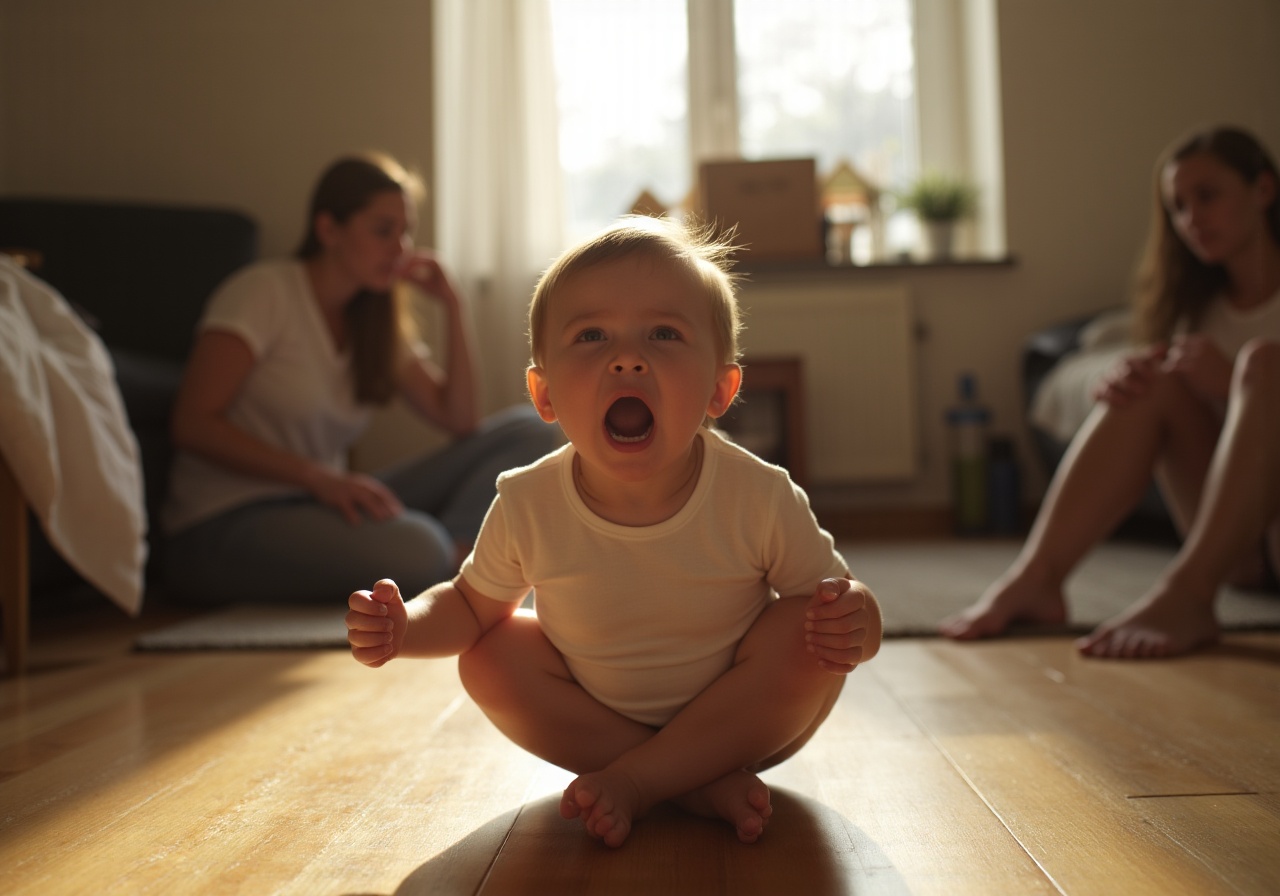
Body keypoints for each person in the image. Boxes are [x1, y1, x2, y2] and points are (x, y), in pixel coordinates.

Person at [346, 215, 883, 847]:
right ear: (545, 395)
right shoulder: (528, 501)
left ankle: (645, 778)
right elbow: (468, 606)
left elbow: (847, 609)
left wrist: (857, 619)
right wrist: (405, 625)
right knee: (490, 656)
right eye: (592, 335)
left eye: (664, 334)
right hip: (593, 719)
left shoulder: (757, 494)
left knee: (808, 626)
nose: (628, 358)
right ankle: (689, 782)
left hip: (743, 723)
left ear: (720, 389)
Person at [942, 124, 1280, 659]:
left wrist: (1235, 379)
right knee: (1152, 381)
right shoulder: (1197, 311)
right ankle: (1038, 577)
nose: (1192, 218)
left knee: (1264, 364)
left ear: (1263, 189)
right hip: (1242, 547)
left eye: (1207, 196)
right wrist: (1129, 380)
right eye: (1178, 207)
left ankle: (1188, 594)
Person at [161, 152, 558, 604]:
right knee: (420, 547)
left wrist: (453, 305)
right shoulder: (263, 292)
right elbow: (192, 424)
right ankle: (451, 561)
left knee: (529, 429)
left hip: (322, 502)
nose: (400, 248)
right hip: (224, 522)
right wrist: (317, 477)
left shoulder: (374, 319)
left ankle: (456, 561)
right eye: (383, 231)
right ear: (328, 229)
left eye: (406, 232)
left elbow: (459, 420)